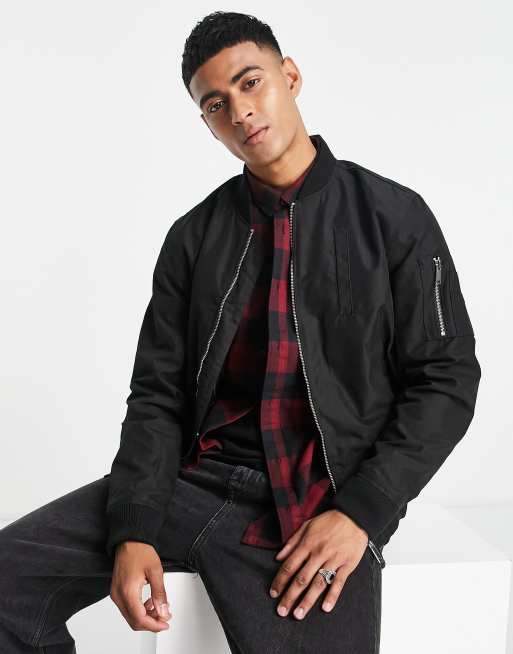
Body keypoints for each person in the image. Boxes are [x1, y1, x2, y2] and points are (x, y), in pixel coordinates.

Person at [0, 10, 481, 654]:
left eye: (251, 83)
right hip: (188, 485)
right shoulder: (193, 237)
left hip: (313, 507)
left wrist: (361, 513)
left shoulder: (394, 217)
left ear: (290, 76)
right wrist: (134, 525)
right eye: (216, 105)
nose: (240, 112)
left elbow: (445, 380)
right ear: (206, 123)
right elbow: (158, 395)